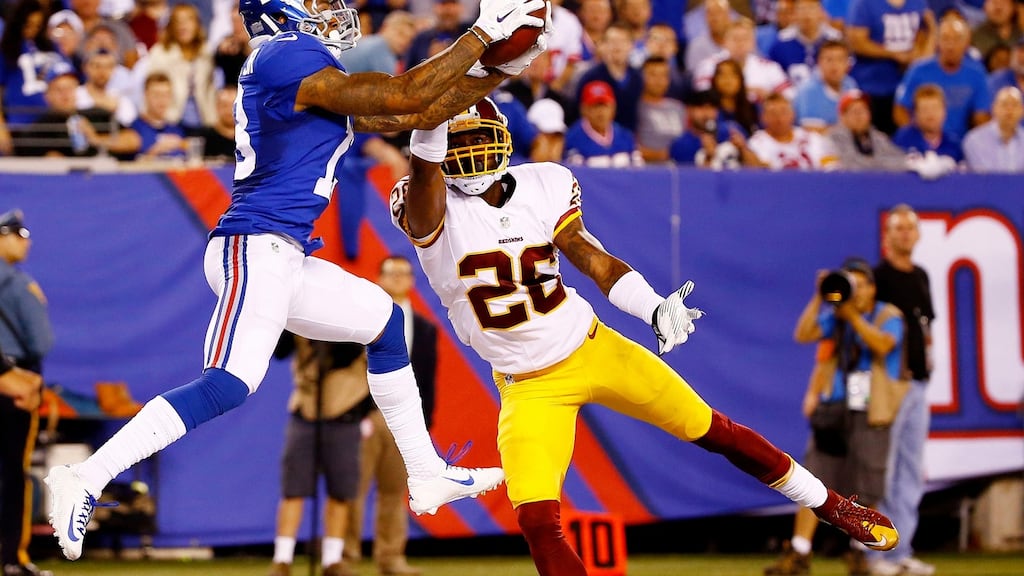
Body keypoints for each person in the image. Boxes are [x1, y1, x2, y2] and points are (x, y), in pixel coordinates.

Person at [44, 0, 548, 562]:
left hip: (283, 252)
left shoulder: (306, 70)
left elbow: (413, 112)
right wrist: (483, 35)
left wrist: (505, 68)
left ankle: (426, 473)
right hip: (253, 243)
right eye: (315, 1)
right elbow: (404, 97)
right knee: (229, 384)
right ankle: (85, 476)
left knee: (385, 321)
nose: (330, 9)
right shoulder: (285, 55)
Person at [390, 96, 899, 576]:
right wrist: (436, 112)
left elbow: (593, 259)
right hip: (527, 385)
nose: (471, 155)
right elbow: (426, 181)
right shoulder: (425, 201)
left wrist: (652, 305)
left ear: (502, 139)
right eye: (457, 145)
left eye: (477, 140)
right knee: (537, 521)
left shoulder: (544, 183)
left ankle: (832, 506)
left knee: (713, 429)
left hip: (592, 346)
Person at [765, 258, 905, 576]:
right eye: (848, 284)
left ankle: (859, 554)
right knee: (811, 479)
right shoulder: (836, 316)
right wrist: (819, 296)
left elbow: (883, 345)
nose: (853, 292)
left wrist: (853, 317)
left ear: (872, 287)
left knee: (867, 486)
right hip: (835, 409)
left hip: (872, 412)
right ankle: (799, 552)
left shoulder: (887, 315)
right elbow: (803, 333)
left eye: (859, 284)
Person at [345, 256, 438, 576]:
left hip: (405, 423)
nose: (398, 278)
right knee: (352, 491)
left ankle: (391, 557)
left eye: (404, 273)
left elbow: (428, 380)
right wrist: (355, 415)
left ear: (412, 280)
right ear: (379, 278)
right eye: (392, 273)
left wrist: (423, 426)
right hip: (365, 418)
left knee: (394, 493)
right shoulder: (362, 320)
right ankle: (344, 557)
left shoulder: (426, 330)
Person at [867, 205, 937, 576]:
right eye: (898, 228)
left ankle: (900, 551)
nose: (905, 234)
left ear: (918, 234)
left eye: (911, 227)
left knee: (910, 473)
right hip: (889, 386)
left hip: (918, 384)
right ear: (887, 236)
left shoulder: (921, 276)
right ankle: (873, 552)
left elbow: (925, 326)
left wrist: (929, 356)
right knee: (883, 470)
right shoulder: (879, 278)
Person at [269, 335, 371, 576]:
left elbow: (348, 353)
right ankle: (282, 559)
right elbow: (280, 351)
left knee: (341, 490)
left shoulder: (354, 317)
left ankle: (332, 559)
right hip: (306, 410)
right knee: (293, 488)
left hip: (345, 412)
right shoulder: (302, 316)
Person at [0, 210, 54, 576]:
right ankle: (13, 559)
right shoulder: (15, 283)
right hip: (12, 383)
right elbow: (40, 341)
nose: (27, 241)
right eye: (19, 234)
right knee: (12, 473)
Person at [828, 90, 913, 171]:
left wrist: (911, 161)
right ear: (843, 117)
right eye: (854, 111)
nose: (859, 116)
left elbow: (899, 157)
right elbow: (850, 164)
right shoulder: (835, 137)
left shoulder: (878, 137)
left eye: (863, 110)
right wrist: (883, 164)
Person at [962, 85, 1024, 171]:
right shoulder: (974, 140)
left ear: (1022, 110)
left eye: (1014, 105)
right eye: (1004, 104)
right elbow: (983, 176)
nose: (1010, 110)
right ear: (994, 108)